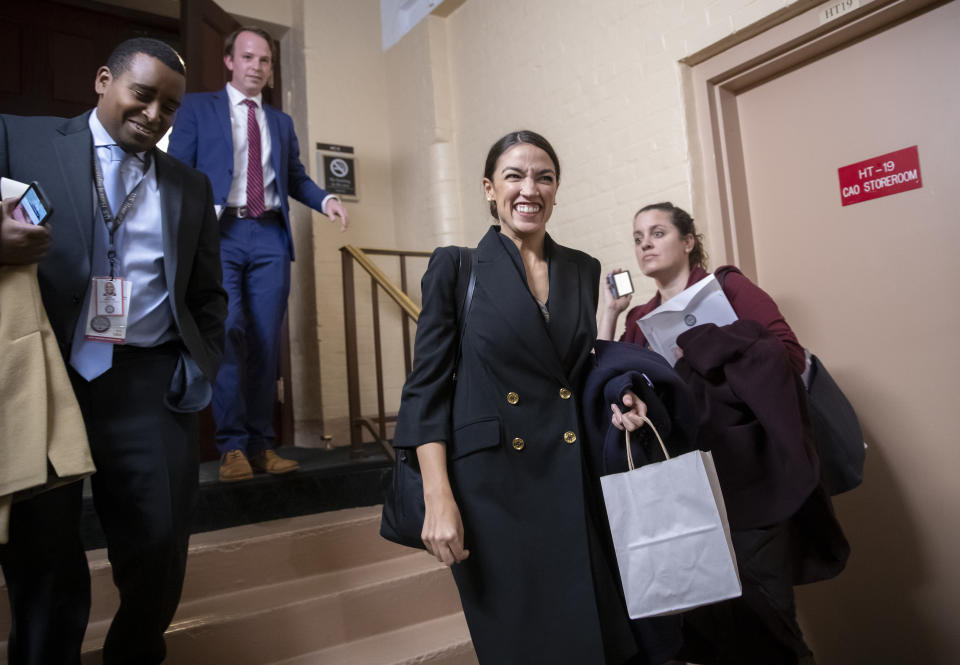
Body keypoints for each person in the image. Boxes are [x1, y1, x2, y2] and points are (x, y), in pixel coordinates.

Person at [392, 131, 678, 665]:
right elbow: (424, 390)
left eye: (544, 176)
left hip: (572, 474)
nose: (530, 189)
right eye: (514, 176)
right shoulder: (456, 267)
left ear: (556, 189)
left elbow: (577, 367)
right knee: (524, 646)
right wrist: (438, 497)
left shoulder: (581, 267)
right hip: (490, 492)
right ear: (488, 188)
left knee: (601, 639)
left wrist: (618, 397)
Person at [0, 38, 227, 664]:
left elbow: (209, 293)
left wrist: (196, 362)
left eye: (170, 107)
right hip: (46, 375)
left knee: (159, 544)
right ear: (104, 80)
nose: (155, 114)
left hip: (144, 379)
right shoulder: (21, 136)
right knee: (41, 553)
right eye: (143, 94)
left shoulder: (189, 183)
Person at [599, 202, 848, 665]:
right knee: (707, 630)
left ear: (688, 241)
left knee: (771, 625)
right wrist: (611, 315)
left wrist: (700, 346)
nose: (645, 244)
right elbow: (612, 387)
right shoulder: (638, 319)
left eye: (657, 233)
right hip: (686, 486)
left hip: (751, 478)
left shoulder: (727, 287)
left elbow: (787, 356)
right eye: (637, 237)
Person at [167, 27, 348, 483]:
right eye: (248, 57)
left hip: (269, 234)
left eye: (265, 60)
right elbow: (179, 172)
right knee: (227, 331)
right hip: (219, 234)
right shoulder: (196, 108)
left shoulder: (281, 124)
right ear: (229, 61)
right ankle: (231, 448)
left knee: (266, 341)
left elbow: (294, 178)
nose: (257, 67)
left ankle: (262, 444)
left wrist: (325, 199)